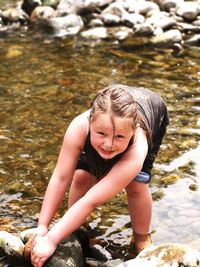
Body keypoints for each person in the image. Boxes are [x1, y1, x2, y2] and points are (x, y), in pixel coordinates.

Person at [30, 84, 169, 267]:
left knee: (135, 185)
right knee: (82, 176)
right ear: (90, 122)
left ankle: (141, 236)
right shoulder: (79, 127)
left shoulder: (137, 147)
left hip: (153, 108)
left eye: (119, 137)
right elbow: (61, 177)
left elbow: (92, 200)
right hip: (112, 106)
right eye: (101, 134)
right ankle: (78, 229)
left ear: (133, 130)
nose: (109, 144)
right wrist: (42, 227)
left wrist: (51, 240)